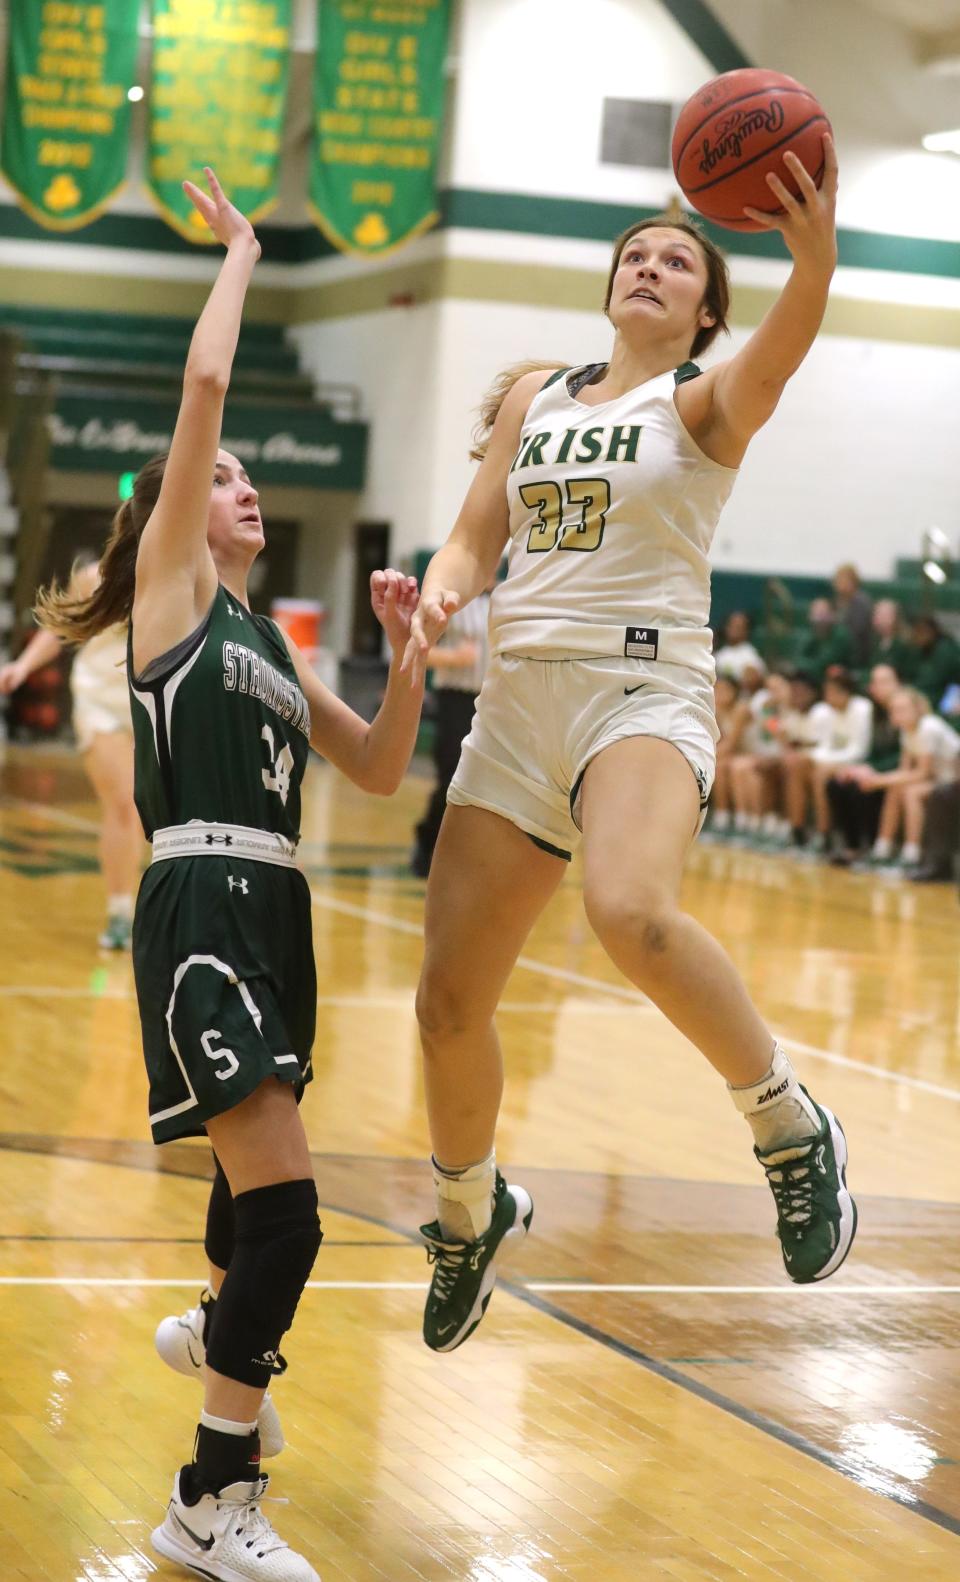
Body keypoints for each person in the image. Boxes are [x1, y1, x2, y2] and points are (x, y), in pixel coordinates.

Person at [402, 136, 856, 1355]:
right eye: (634, 254)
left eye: (677, 260)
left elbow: (792, 337)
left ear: (708, 308)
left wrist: (811, 259)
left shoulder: (704, 401)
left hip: (642, 686)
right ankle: (469, 1207)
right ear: (612, 285)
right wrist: (443, 592)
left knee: (631, 911)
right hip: (517, 701)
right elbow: (470, 536)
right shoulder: (535, 399)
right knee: (447, 1003)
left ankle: (788, 1125)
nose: (649, 266)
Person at [35, 169, 424, 1582]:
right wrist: (246, 257)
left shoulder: (264, 641)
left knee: (253, 1202)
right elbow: (204, 382)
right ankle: (211, 1495)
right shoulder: (175, 600)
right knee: (291, 1214)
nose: (241, 488)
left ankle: (217, 1319)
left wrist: (422, 658)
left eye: (256, 480)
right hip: (201, 899)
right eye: (225, 479)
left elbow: (378, 771)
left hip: (283, 902)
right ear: (178, 518)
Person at [0, 560, 142, 948]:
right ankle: (119, 914)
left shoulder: (180, 570)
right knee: (124, 804)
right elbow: (63, 627)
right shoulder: (94, 576)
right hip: (101, 700)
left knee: (162, 814)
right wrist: (23, 666)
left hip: (158, 704)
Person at [411, 585, 492, 878]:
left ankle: (469, 856)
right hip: (455, 699)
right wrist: (454, 658)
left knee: (486, 785)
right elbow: (418, 647)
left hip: (493, 701)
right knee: (451, 778)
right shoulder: (452, 603)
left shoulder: (507, 598)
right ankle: (427, 844)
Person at [867, 687, 960, 870]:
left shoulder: (928, 727)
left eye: (902, 709)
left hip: (951, 781)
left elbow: (922, 773)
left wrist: (879, 780)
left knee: (911, 793)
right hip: (938, 779)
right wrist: (880, 780)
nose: (897, 714)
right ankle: (882, 849)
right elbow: (905, 771)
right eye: (893, 710)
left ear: (917, 708)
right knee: (896, 789)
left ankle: (912, 853)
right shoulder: (907, 731)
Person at [783, 669, 873, 853]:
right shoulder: (826, 711)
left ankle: (824, 834)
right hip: (831, 760)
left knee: (819, 774)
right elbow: (824, 745)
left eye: (830, 692)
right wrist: (813, 757)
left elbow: (858, 750)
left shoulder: (862, 709)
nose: (826, 697)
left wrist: (820, 760)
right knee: (797, 764)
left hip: (856, 762)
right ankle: (797, 830)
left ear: (844, 692)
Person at [824, 663, 901, 866]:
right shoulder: (874, 712)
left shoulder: (904, 708)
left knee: (862, 788)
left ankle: (875, 846)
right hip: (877, 767)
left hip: (896, 771)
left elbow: (903, 754)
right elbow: (870, 749)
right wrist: (857, 768)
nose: (878, 687)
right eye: (875, 682)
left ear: (898, 683)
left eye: (884, 682)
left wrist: (874, 770)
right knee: (837, 783)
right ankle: (852, 846)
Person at [707, 672, 750, 834]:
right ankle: (722, 816)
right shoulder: (717, 710)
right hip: (733, 756)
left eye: (725, 690)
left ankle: (743, 819)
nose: (720, 694)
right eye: (717, 689)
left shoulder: (741, 709)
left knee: (725, 766)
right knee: (720, 767)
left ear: (735, 692)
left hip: (749, 753)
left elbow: (732, 744)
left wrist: (708, 757)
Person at [792, 596, 853, 680]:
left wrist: (804, 666)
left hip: (839, 679)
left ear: (832, 614)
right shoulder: (810, 633)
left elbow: (824, 663)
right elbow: (797, 658)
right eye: (816, 612)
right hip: (814, 677)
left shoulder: (841, 634)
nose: (820, 616)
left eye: (823, 612)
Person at [832, 563, 872, 669]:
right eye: (838, 580)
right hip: (839, 650)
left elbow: (856, 631)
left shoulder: (861, 602)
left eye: (845, 580)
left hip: (857, 652)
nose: (840, 584)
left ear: (854, 582)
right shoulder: (837, 602)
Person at [714, 610, 764, 683]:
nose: (734, 630)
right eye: (731, 625)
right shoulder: (720, 654)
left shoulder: (750, 654)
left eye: (738, 627)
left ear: (746, 630)